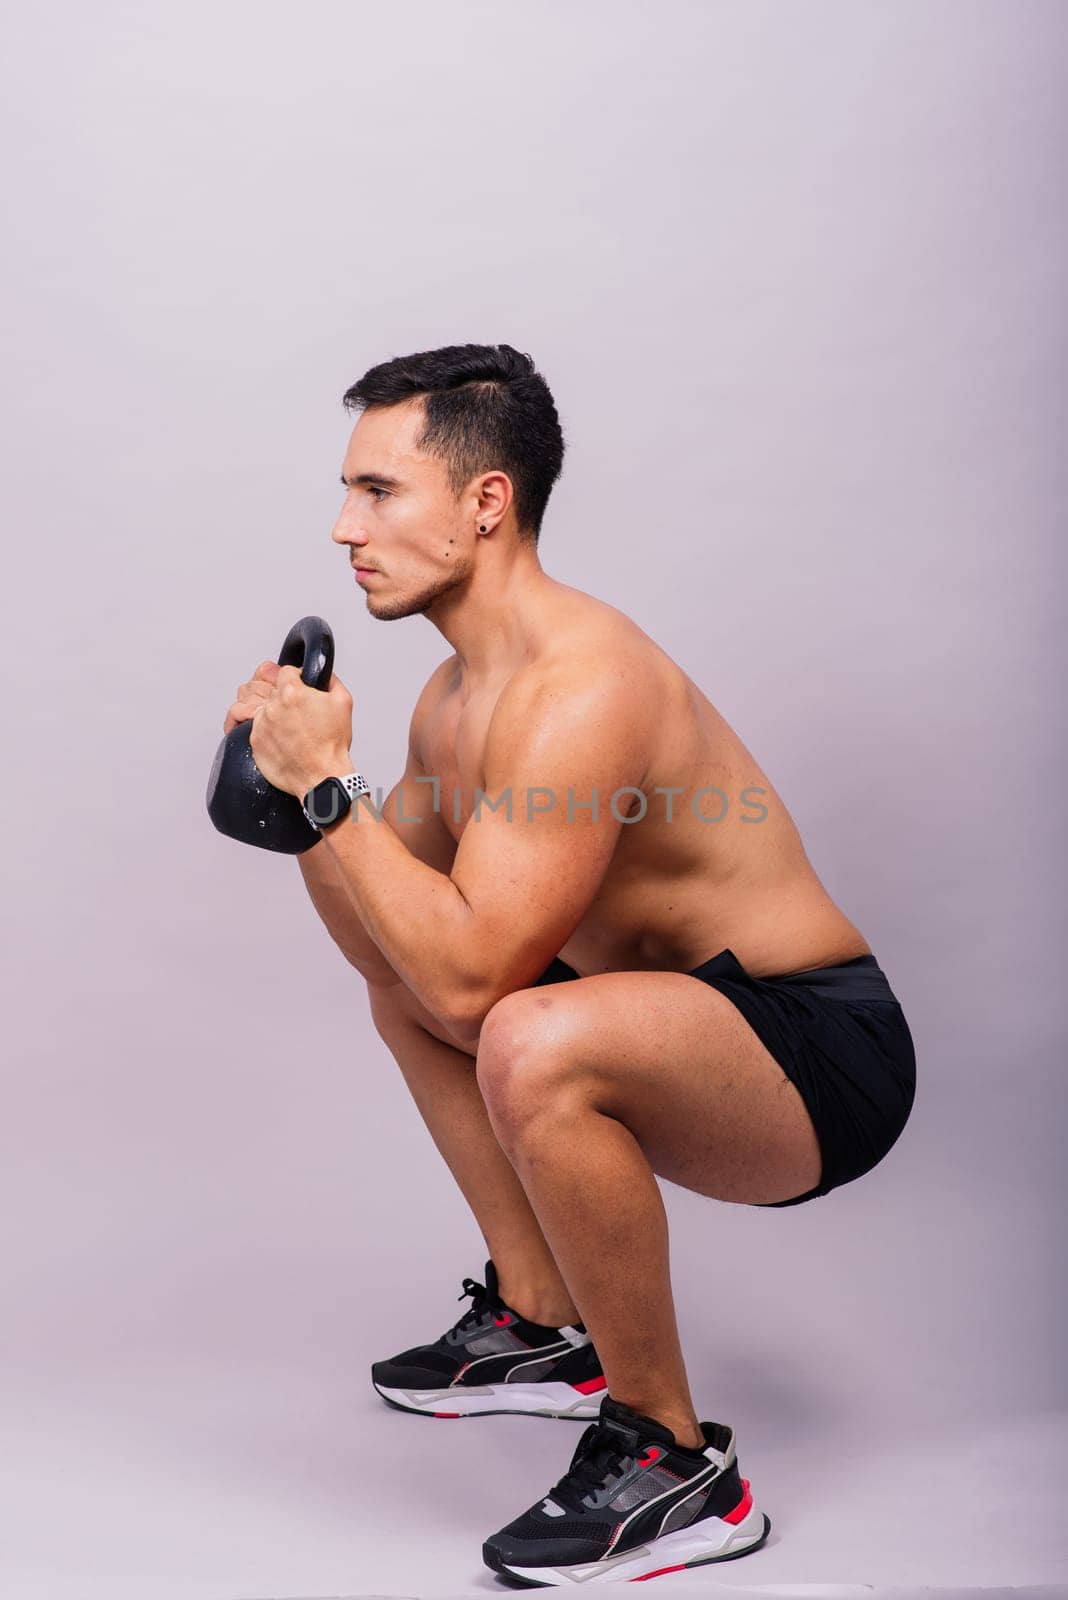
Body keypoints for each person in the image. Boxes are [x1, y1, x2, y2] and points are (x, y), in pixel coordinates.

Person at [222, 342, 916, 1585]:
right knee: (418, 985)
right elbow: (404, 958)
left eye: (378, 490)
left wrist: (333, 786)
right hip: (675, 1022)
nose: (344, 526)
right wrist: (305, 810)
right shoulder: (454, 696)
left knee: (524, 1033)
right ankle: (543, 1323)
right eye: (348, 490)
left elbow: (481, 986)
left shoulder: (582, 684)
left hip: (819, 1054)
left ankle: (677, 1461)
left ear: (485, 503)